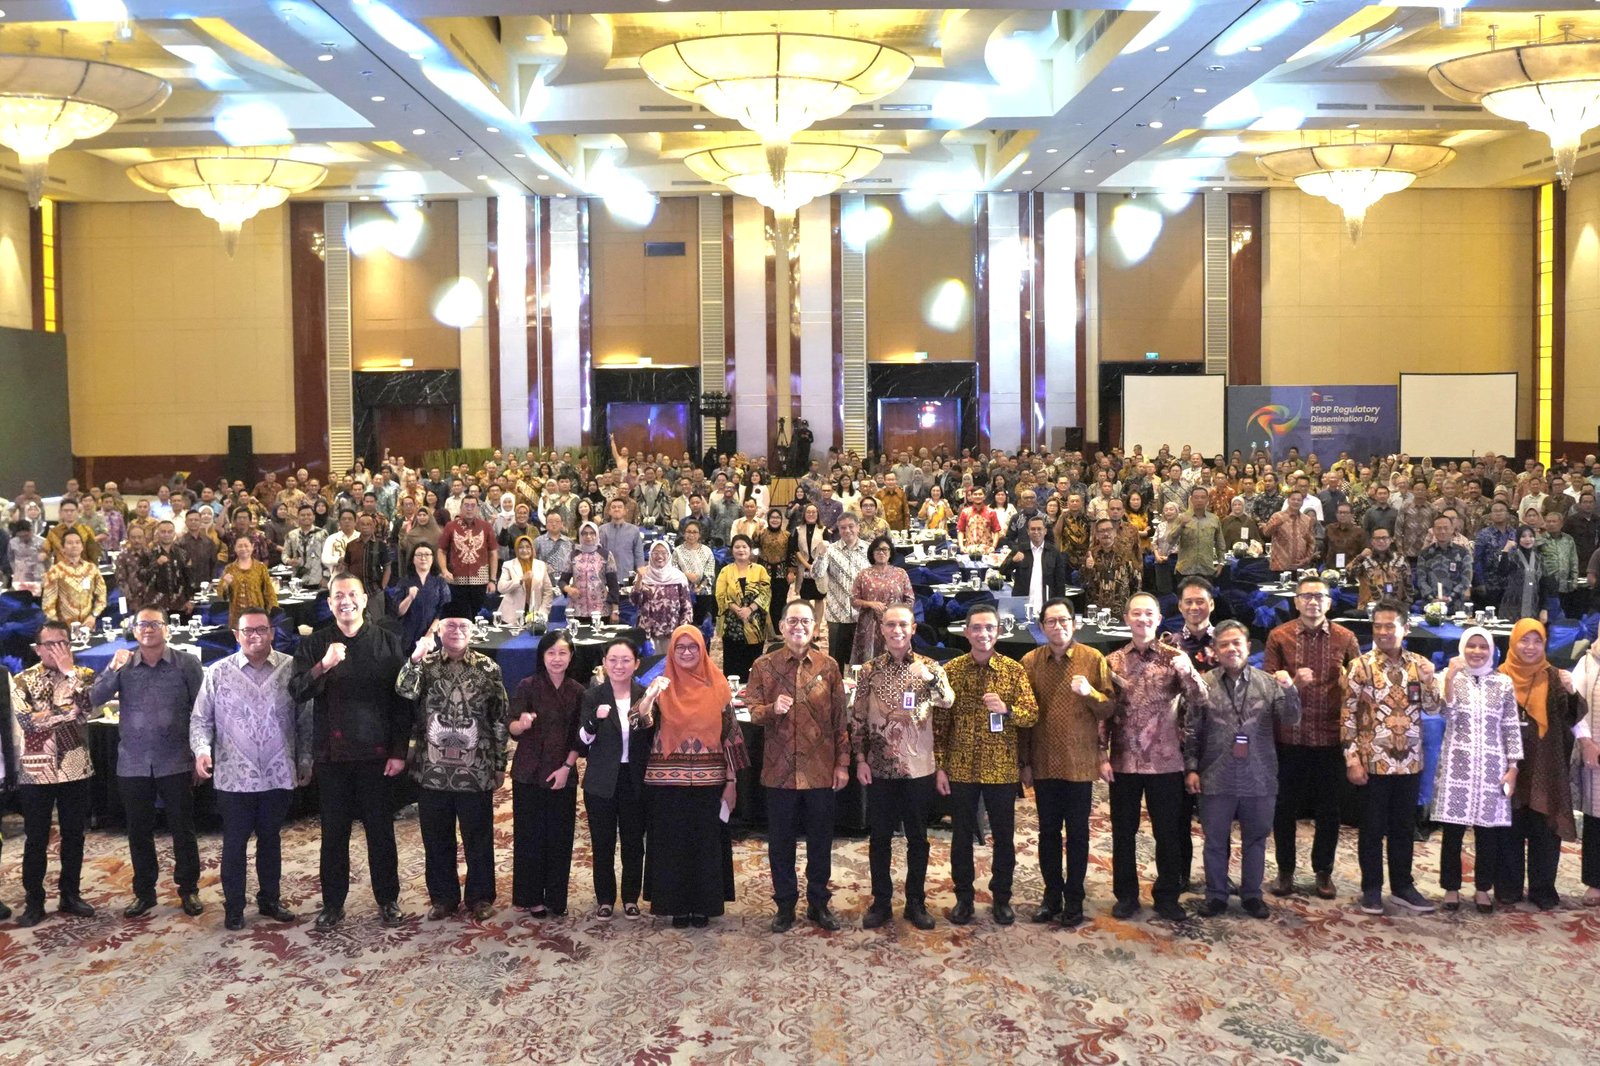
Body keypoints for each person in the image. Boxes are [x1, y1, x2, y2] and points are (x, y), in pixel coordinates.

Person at [289, 574, 410, 930]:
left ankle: (388, 899)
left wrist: (399, 751)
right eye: (338, 596)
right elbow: (296, 691)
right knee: (334, 833)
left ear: (364, 599)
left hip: (377, 754)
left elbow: (402, 702)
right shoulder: (315, 644)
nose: (346, 601)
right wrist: (323, 665)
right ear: (329, 603)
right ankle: (332, 904)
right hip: (332, 755)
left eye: (352, 594)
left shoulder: (388, 641)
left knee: (380, 831)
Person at [190, 606, 310, 930]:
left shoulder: (291, 669)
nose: (254, 636)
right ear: (236, 635)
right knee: (235, 842)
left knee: (271, 839)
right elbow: (200, 720)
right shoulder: (218, 672)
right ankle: (234, 907)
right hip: (234, 776)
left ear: (272, 632)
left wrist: (305, 760)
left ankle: (270, 899)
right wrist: (201, 751)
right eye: (247, 631)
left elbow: (305, 719)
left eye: (261, 629)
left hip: (278, 771)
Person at [90, 608, 205, 918]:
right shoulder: (125, 665)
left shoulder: (186, 664)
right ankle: (144, 892)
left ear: (167, 629)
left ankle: (189, 889)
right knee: (138, 831)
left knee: (183, 829)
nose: (148, 629)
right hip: (134, 762)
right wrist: (112, 667)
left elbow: (203, 712)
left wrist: (200, 754)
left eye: (155, 623)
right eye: (142, 624)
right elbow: (95, 698)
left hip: (176, 760)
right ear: (134, 630)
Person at [396, 616, 509, 922]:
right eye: (450, 626)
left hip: (476, 771)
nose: (457, 631)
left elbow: (499, 718)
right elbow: (404, 691)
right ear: (439, 630)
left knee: (478, 839)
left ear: (472, 631)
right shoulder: (425, 665)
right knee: (436, 839)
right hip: (431, 770)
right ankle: (443, 898)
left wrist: (500, 763)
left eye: (463, 626)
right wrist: (414, 659)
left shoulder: (488, 667)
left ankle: (480, 897)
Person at [1185, 621, 1301, 918]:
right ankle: (1216, 895)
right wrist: (1191, 768)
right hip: (1215, 775)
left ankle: (1252, 895)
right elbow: (1192, 729)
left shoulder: (1268, 683)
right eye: (1223, 644)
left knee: (1256, 840)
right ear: (1214, 650)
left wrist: (1290, 689)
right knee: (1214, 841)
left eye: (1236, 643)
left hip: (1258, 775)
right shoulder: (1203, 684)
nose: (1231, 649)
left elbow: (1290, 719)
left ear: (1248, 647)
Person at [745, 601, 849, 932]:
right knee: (780, 843)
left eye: (805, 621)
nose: (799, 627)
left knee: (820, 841)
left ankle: (819, 903)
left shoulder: (829, 666)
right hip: (779, 772)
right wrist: (771, 708)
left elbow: (840, 720)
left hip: (820, 770)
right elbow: (751, 711)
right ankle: (785, 904)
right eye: (792, 621)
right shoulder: (763, 665)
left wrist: (842, 763)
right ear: (781, 625)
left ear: (815, 628)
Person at [1102, 592, 1205, 923]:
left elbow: (1200, 701)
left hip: (1166, 760)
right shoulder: (1113, 661)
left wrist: (1188, 673)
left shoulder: (1175, 658)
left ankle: (1167, 896)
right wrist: (1101, 753)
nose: (1142, 619)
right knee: (1123, 832)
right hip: (1124, 760)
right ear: (1126, 619)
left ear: (1159, 619)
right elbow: (1104, 712)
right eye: (1136, 613)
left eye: (1149, 613)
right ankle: (1126, 896)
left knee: (1168, 832)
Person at [935, 604, 1040, 926]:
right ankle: (964, 898)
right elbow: (940, 724)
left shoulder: (1013, 670)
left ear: (999, 632)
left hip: (1001, 768)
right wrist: (940, 766)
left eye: (990, 628)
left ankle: (1001, 898)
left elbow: (1031, 715)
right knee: (961, 837)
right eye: (977, 628)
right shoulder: (952, 671)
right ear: (966, 632)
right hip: (961, 767)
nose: (983, 634)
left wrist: (1007, 709)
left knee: (1004, 837)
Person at [851, 604, 953, 930]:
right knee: (879, 838)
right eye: (891, 625)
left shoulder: (930, 667)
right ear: (882, 629)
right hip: (880, 767)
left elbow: (948, 700)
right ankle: (881, 902)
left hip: (918, 767)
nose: (897, 631)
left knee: (917, 838)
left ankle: (915, 902)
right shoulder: (869, 671)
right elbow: (858, 717)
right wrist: (860, 758)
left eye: (903, 625)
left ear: (913, 629)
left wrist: (932, 680)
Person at [642, 624, 749, 928]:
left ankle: (704, 905)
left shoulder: (718, 685)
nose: (687, 652)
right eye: (680, 647)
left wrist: (732, 783)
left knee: (706, 845)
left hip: (710, 782)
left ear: (703, 650)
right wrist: (649, 696)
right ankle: (674, 905)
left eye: (693, 647)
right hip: (667, 783)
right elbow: (638, 722)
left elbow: (731, 737)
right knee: (671, 844)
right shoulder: (661, 684)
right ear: (672, 651)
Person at [1019, 598, 1113, 928]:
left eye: (1064, 621)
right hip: (1044, 760)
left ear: (1075, 624)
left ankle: (1074, 898)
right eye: (1051, 621)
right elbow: (1024, 717)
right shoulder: (1030, 662)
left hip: (1078, 762)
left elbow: (1109, 709)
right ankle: (1051, 896)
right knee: (1047, 832)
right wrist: (1024, 761)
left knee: (1077, 833)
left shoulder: (1093, 658)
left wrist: (1090, 694)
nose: (1058, 627)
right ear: (1041, 627)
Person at [1343, 600, 1441, 915]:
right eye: (1378, 626)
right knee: (1371, 829)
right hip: (1372, 760)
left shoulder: (1419, 665)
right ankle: (1371, 889)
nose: (1383, 632)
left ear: (1405, 629)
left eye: (1390, 626)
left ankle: (1402, 886)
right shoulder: (1360, 666)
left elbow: (1433, 708)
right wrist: (1352, 759)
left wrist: (1429, 681)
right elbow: (1347, 716)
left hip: (1409, 760)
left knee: (1403, 828)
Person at [1266, 575, 1361, 899]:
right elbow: (1266, 686)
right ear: (1296, 601)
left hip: (1329, 736)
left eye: (1319, 596)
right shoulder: (1279, 636)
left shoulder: (1345, 638)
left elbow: (1358, 682)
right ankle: (1285, 870)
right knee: (1284, 807)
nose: (1312, 602)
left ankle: (1323, 871)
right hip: (1289, 736)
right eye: (1306, 596)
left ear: (1329, 602)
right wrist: (1291, 683)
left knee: (1329, 810)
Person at [10, 622, 98, 927]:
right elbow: (27, 722)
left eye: (63, 643)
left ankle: (70, 895)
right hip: (36, 769)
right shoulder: (22, 680)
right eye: (50, 644)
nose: (57, 650)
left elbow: (89, 710)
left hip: (74, 765)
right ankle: (34, 901)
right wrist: (68, 713)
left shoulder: (83, 675)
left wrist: (69, 674)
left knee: (74, 835)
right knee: (36, 837)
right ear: (38, 649)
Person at [1433, 628, 1521, 914]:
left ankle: (1483, 888)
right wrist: (1449, 678)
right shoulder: (1451, 678)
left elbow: (1510, 727)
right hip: (1457, 766)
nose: (1477, 652)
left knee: (1488, 834)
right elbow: (1445, 713)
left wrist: (1513, 767)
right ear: (1462, 648)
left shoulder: (1503, 683)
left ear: (1491, 650)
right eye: (1471, 646)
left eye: (1483, 646)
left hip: (1492, 768)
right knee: (1453, 832)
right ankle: (1451, 887)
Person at [1496, 618, 1579, 910]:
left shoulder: (1554, 676)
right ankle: (1508, 887)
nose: (1530, 647)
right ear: (1513, 641)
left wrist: (1571, 691)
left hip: (1545, 763)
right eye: (1524, 640)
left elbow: (1572, 716)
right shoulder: (1499, 676)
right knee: (1509, 826)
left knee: (1544, 826)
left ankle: (1543, 889)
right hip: (1508, 764)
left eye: (1537, 641)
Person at [507, 630, 584, 917]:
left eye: (563, 652)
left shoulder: (578, 691)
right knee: (530, 836)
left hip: (563, 771)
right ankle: (531, 897)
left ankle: (555, 898)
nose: (556, 658)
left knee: (560, 836)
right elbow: (511, 726)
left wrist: (567, 767)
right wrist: (522, 724)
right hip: (529, 771)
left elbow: (581, 737)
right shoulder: (527, 685)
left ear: (571, 656)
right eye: (551, 653)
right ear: (542, 656)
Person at [579, 638, 656, 920]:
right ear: (604, 663)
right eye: (613, 660)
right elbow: (583, 741)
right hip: (601, 780)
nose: (619, 665)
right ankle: (605, 899)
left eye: (625, 660)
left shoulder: (645, 694)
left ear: (636, 664)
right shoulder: (593, 696)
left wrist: (647, 708)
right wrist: (594, 721)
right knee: (603, 842)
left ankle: (631, 898)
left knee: (634, 842)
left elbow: (651, 736)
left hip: (634, 778)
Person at [811, 512, 871, 675]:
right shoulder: (830, 550)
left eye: (851, 526)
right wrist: (821, 554)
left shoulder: (869, 549)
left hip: (862, 614)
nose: (847, 530)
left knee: (861, 662)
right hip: (837, 614)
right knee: (835, 663)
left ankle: (860, 689)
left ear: (858, 527)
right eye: (843, 528)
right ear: (838, 529)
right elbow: (816, 574)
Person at [849, 534, 914, 665]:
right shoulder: (863, 575)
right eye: (877, 549)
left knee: (897, 662)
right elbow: (853, 600)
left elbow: (910, 600)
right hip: (869, 626)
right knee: (869, 665)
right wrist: (870, 604)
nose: (881, 553)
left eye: (885, 549)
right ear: (872, 553)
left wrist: (896, 612)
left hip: (895, 624)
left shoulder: (901, 573)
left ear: (891, 552)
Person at [715, 534, 772, 681]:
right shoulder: (725, 571)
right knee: (732, 661)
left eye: (744, 547)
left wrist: (750, 609)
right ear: (732, 550)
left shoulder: (760, 570)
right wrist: (736, 609)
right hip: (731, 624)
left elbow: (766, 592)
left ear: (750, 549)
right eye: (737, 547)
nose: (741, 550)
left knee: (753, 663)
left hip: (755, 623)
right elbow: (720, 594)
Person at [1571, 641, 1600, 907]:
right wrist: (1586, 743)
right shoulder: (1589, 662)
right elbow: (1576, 708)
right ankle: (1595, 882)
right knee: (1596, 819)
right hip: (1596, 753)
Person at [437, 496, 498, 620]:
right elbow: (441, 550)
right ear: (461, 507)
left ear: (477, 508)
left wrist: (492, 580)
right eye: (466, 505)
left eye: (472, 505)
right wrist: (444, 570)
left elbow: (493, 553)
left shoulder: (486, 527)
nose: (469, 509)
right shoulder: (451, 526)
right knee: (460, 618)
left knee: (479, 618)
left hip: (480, 581)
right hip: (456, 581)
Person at [1000, 515, 1069, 616]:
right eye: (1033, 529)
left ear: (1045, 531)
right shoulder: (1019, 549)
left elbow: (1060, 582)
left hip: (1047, 605)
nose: (1036, 532)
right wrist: (1013, 561)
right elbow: (1002, 571)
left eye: (1039, 529)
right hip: (1022, 604)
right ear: (1028, 531)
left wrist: (1060, 606)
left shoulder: (1054, 552)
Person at [631, 540, 695, 648]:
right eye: (655, 553)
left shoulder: (678, 576)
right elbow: (634, 601)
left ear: (669, 555)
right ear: (650, 555)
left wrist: (683, 631)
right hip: (647, 633)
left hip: (672, 632)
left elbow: (687, 607)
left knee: (670, 658)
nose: (659, 556)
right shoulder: (643, 574)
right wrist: (640, 579)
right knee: (650, 659)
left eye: (663, 553)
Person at [392, 542, 454, 646]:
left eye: (427, 554)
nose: (423, 558)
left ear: (433, 559)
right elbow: (398, 612)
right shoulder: (404, 582)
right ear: (413, 559)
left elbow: (444, 610)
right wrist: (409, 598)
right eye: (419, 555)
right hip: (408, 635)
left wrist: (431, 632)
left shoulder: (440, 582)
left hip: (433, 635)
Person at [41, 530, 105, 628]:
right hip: (65, 627)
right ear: (63, 548)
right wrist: (58, 626)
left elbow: (102, 595)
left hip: (88, 625)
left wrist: (93, 616)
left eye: (77, 542)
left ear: (82, 547)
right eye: (70, 543)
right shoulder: (55, 571)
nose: (74, 545)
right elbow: (48, 604)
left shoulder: (91, 569)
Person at [217, 534, 278, 630]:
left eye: (246, 545)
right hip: (237, 618)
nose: (243, 549)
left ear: (252, 547)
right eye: (240, 546)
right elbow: (220, 594)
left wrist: (274, 613)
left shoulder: (261, 567)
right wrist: (225, 584)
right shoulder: (229, 569)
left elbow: (269, 593)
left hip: (258, 616)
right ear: (235, 549)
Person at [1081, 518, 1140, 616]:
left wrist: (1135, 605)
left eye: (1109, 530)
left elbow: (1136, 581)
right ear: (1097, 535)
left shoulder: (1126, 553)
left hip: (1120, 609)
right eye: (1101, 531)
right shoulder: (1091, 553)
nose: (1106, 533)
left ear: (1115, 532)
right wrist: (1087, 568)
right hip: (1095, 609)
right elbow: (1082, 581)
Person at [1415, 514, 1473, 611]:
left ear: (1452, 529)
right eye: (1438, 528)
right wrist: (1431, 598)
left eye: (1446, 528)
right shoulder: (1425, 554)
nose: (1442, 531)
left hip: (1457, 606)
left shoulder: (1463, 553)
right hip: (1431, 606)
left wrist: (1450, 598)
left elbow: (1466, 580)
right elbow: (1421, 580)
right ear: (1433, 530)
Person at [563, 520, 618, 625]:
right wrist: (568, 589)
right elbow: (562, 581)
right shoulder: (573, 555)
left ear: (597, 535)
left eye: (592, 533)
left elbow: (613, 584)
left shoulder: (605, 555)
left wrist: (615, 610)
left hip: (601, 610)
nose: (588, 536)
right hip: (578, 610)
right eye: (585, 533)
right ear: (580, 535)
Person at [1347, 526, 1411, 607]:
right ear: (1372, 541)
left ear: (1391, 540)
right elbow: (1349, 573)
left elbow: (1408, 586)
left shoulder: (1400, 559)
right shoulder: (1365, 560)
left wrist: (1406, 606)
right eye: (1377, 538)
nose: (1381, 541)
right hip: (1368, 607)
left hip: (1395, 607)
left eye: (1384, 538)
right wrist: (1360, 557)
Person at [788, 502, 829, 622]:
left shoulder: (823, 530)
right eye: (808, 512)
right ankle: (807, 622)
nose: (811, 514)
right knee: (805, 598)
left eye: (813, 512)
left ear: (817, 514)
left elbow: (827, 549)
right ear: (804, 514)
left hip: (820, 568)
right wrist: (807, 565)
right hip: (804, 567)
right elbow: (795, 549)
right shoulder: (798, 530)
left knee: (819, 598)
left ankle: (817, 626)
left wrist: (816, 565)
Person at [673, 520, 718, 627]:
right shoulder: (677, 551)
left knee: (703, 627)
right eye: (688, 532)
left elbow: (710, 574)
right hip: (683, 593)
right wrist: (686, 575)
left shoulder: (707, 551)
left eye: (694, 532)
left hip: (704, 594)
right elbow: (674, 572)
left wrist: (699, 588)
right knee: (685, 627)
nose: (691, 535)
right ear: (684, 533)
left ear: (699, 534)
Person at [1261, 490, 1317, 572]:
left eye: (1299, 500)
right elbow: (1266, 533)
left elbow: (1311, 542)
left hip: (1300, 567)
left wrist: (1307, 559)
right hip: (1279, 566)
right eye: (1293, 499)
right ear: (1288, 501)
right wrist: (1278, 522)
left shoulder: (1307, 520)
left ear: (1302, 502)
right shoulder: (1277, 516)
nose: (1296, 502)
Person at [755, 508, 790, 620]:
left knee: (780, 600)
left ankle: (779, 625)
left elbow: (791, 554)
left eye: (778, 517)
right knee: (763, 599)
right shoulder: (762, 533)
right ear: (768, 519)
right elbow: (754, 547)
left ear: (781, 520)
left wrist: (792, 572)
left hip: (782, 572)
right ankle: (765, 626)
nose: (775, 520)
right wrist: (757, 533)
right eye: (772, 517)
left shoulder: (787, 535)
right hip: (764, 571)